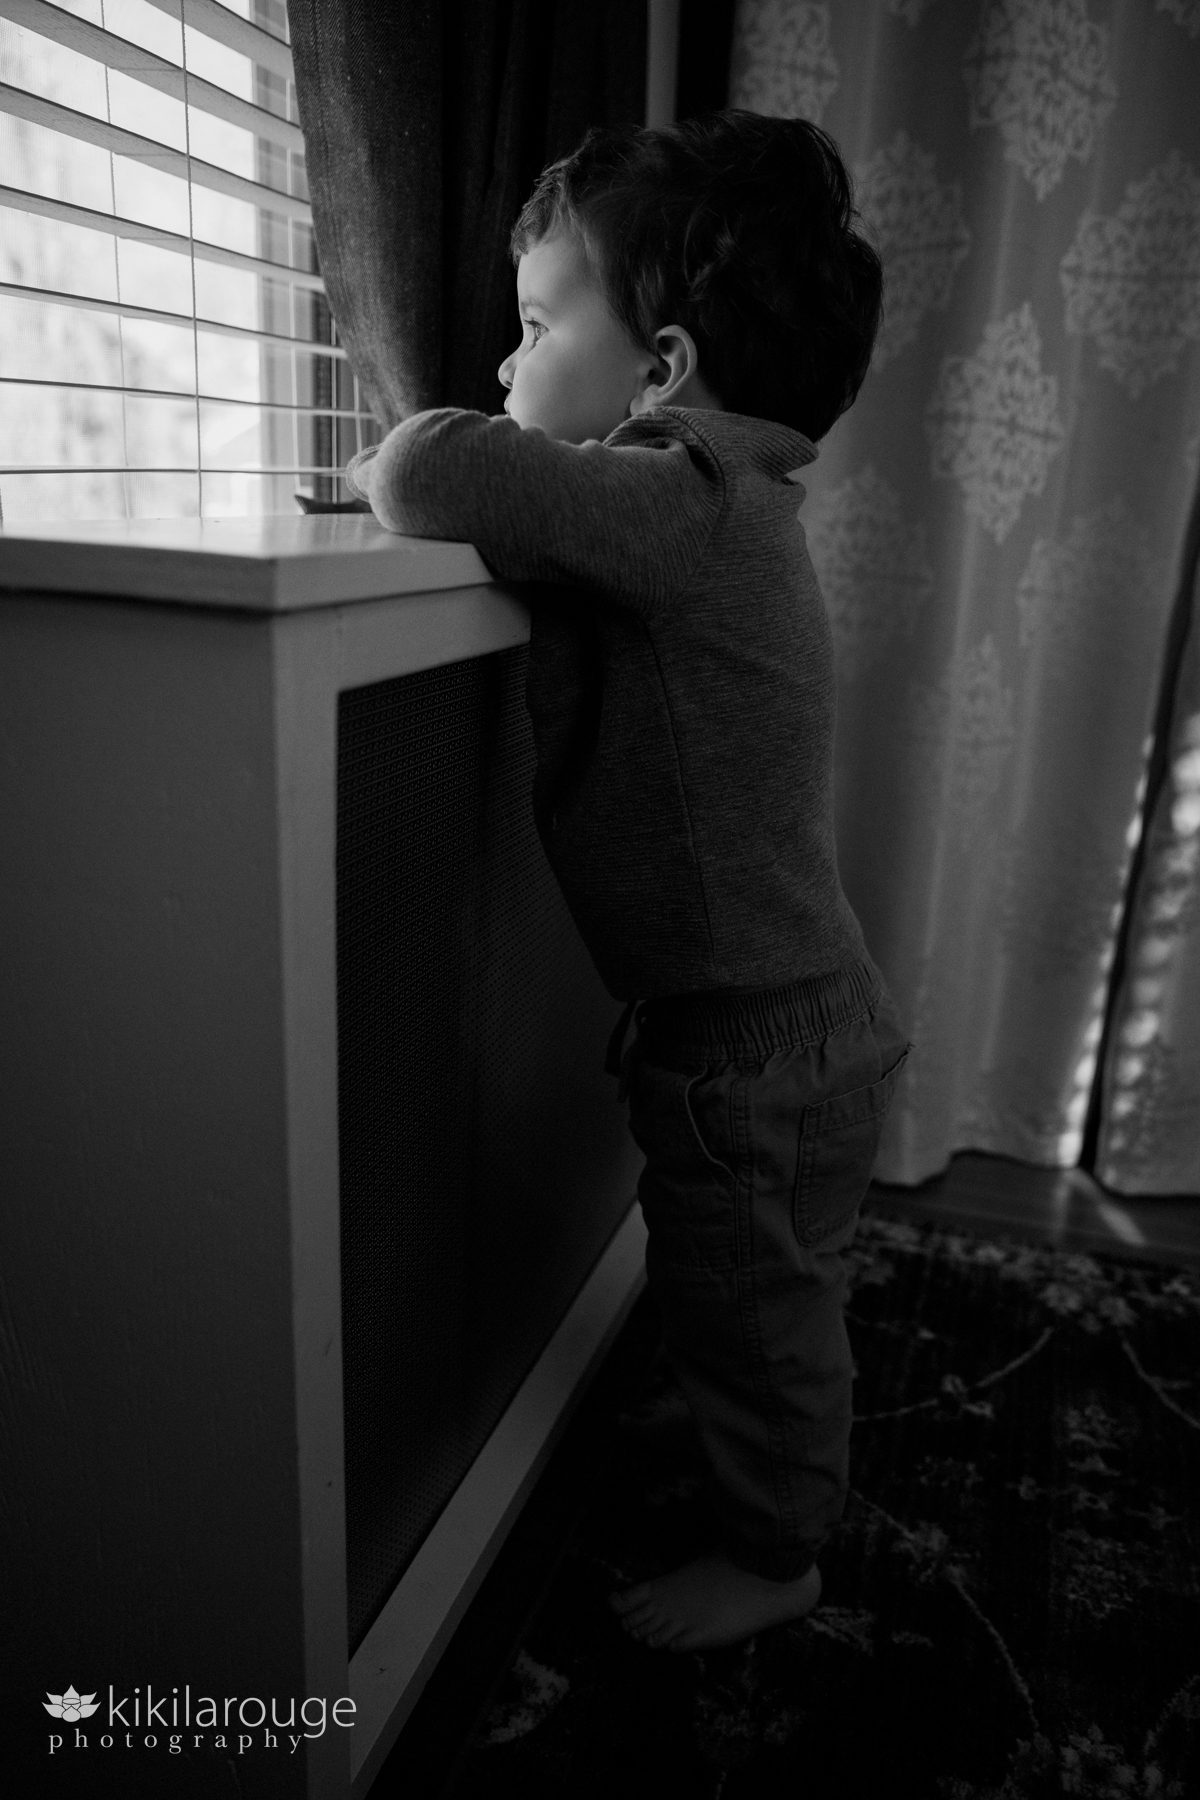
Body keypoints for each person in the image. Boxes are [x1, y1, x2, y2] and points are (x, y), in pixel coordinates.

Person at [346, 109, 910, 1653]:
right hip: (754, 1025)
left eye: (534, 327)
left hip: (762, 1044)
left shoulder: (682, 497)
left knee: (759, 1308)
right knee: (747, 1282)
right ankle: (760, 1440)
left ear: (660, 373)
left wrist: (435, 425)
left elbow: (426, 471)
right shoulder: (706, 506)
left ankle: (780, 1548)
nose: (512, 366)